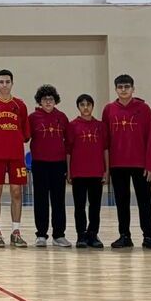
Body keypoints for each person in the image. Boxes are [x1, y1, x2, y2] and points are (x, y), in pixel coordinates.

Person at [103, 74, 151, 250]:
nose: (123, 90)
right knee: (121, 202)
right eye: (120, 87)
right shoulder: (109, 109)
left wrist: (150, 164)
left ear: (133, 89)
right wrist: (106, 168)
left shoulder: (143, 108)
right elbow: (105, 141)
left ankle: (149, 236)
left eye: (127, 87)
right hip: (117, 164)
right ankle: (124, 236)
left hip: (140, 165)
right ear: (115, 89)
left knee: (144, 201)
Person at [0, 69, 29, 248]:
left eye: (7, 82)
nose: (4, 85)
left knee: (16, 192)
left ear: (12, 83)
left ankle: (16, 232)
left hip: (16, 155)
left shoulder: (20, 105)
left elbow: (25, 133)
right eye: (1, 82)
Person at [29, 84, 70, 248]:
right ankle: (41, 234)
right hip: (39, 163)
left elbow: (69, 142)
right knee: (40, 199)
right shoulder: (33, 118)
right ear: (40, 101)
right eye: (44, 99)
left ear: (55, 101)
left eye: (51, 99)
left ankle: (59, 235)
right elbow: (25, 137)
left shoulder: (62, 117)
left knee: (58, 200)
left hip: (58, 164)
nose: (48, 102)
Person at [66, 94, 106, 249]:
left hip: (96, 172)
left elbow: (105, 149)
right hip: (78, 172)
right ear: (78, 107)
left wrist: (106, 171)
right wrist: (69, 171)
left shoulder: (100, 126)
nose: (86, 107)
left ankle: (93, 234)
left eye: (88, 104)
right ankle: (81, 235)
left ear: (92, 106)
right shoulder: (72, 125)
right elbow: (68, 151)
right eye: (82, 105)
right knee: (80, 206)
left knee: (95, 206)